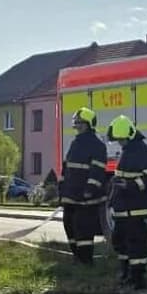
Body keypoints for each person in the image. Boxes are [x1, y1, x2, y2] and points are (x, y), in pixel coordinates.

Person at [106, 114, 147, 290]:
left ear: (128, 136)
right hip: (122, 210)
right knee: (119, 243)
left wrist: (130, 185)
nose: (119, 143)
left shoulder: (145, 151)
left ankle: (138, 279)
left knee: (136, 245)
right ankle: (125, 273)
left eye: (120, 140)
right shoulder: (127, 151)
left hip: (137, 210)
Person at [60, 107, 110, 264]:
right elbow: (66, 168)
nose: (76, 126)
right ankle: (77, 258)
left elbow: (97, 171)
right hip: (71, 196)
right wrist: (61, 188)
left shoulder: (97, 145)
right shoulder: (76, 143)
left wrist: (90, 190)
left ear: (88, 124)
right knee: (69, 227)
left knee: (84, 231)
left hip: (86, 199)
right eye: (76, 123)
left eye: (80, 123)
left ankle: (86, 262)